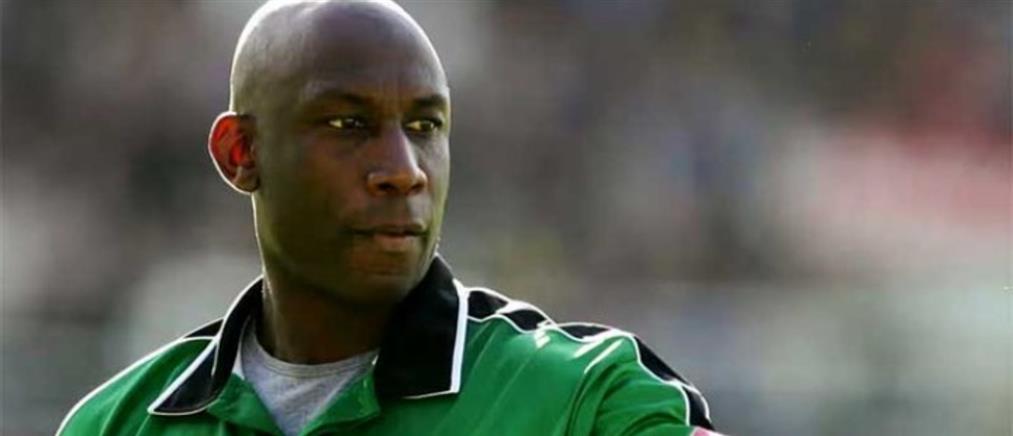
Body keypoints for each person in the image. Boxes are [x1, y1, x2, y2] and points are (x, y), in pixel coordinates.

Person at [58, 1, 720, 435]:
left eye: (425, 126)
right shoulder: (116, 423)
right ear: (241, 153)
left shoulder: (585, 398)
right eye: (347, 125)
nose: (404, 170)